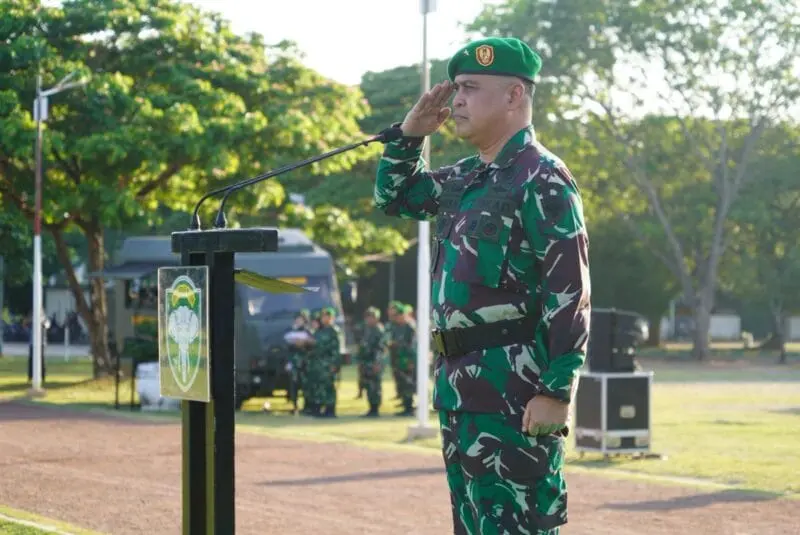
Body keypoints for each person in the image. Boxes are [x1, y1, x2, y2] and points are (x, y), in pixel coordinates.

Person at [373, 37, 591, 534]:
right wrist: (410, 134)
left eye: (471, 89)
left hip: (517, 397)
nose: (457, 102)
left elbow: (571, 293)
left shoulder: (543, 177)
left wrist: (557, 390)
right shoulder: (468, 178)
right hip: (460, 394)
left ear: (515, 96)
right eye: (458, 90)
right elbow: (395, 196)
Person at [308, 307, 343, 418]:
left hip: (328, 364)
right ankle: (319, 408)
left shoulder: (334, 331)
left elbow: (337, 350)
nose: (325, 319)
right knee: (319, 386)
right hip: (318, 364)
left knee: (329, 386)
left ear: (332, 318)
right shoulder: (319, 331)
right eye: (323, 316)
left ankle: (330, 409)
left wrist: (335, 365)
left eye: (328, 316)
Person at [357, 307, 386, 417]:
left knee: (375, 385)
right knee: (368, 385)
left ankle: (375, 409)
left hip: (374, 362)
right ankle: (371, 408)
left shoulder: (379, 330)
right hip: (366, 362)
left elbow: (381, 348)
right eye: (367, 317)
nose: (369, 319)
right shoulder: (367, 330)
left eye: (371, 317)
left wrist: (377, 363)